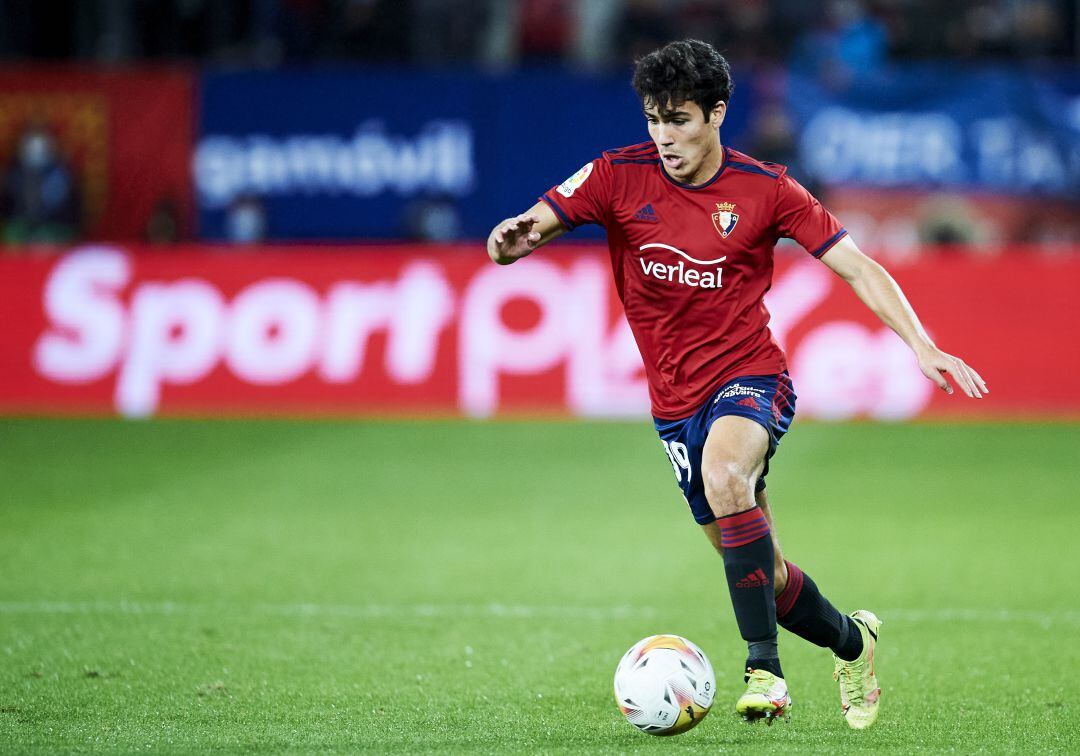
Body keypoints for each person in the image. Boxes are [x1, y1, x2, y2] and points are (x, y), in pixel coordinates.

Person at [485, 39, 987, 730]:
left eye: (681, 120)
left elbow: (858, 266)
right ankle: (853, 641)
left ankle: (765, 671)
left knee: (728, 478)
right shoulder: (613, 175)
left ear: (717, 113)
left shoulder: (767, 188)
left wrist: (922, 344)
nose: (664, 136)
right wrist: (509, 241)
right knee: (765, 575)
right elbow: (523, 230)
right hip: (673, 407)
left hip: (751, 377)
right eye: (655, 119)